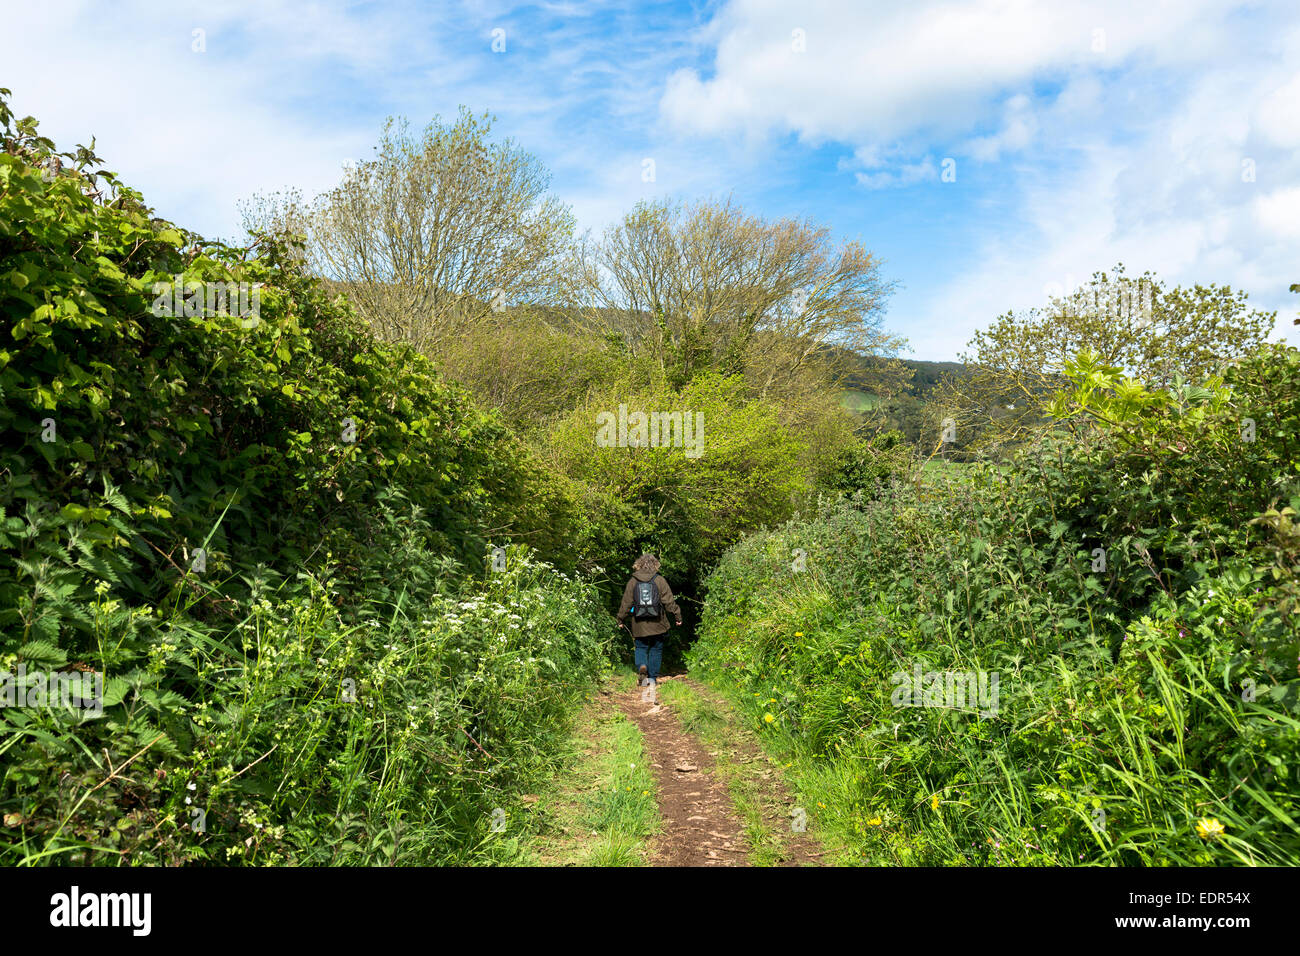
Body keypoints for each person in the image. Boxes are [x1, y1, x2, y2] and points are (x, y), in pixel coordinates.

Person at [615, 553, 682, 696]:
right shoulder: (659, 580)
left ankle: (642, 666)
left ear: (638, 565)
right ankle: (651, 679)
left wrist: (620, 619)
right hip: (658, 622)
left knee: (640, 646)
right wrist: (677, 616)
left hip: (639, 623)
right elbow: (669, 601)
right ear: (655, 565)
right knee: (656, 649)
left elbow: (626, 603)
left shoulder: (633, 581)